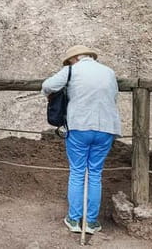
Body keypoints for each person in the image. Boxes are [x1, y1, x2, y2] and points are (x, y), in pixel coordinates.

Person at [42, 45, 120, 234]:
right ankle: (91, 222)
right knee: (95, 173)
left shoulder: (71, 70)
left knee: (77, 172)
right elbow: (114, 95)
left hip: (80, 126)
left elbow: (47, 86)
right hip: (107, 127)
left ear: (73, 59)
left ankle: (74, 219)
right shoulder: (108, 72)